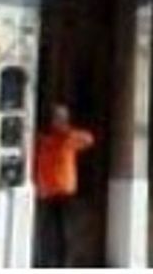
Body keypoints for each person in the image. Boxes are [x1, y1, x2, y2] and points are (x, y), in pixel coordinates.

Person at [34, 104, 95, 267]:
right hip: (47, 191)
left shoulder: (69, 138)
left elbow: (89, 139)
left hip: (65, 192)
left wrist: (67, 132)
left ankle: (64, 265)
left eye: (61, 118)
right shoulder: (46, 140)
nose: (57, 121)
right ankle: (47, 263)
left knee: (64, 231)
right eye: (56, 117)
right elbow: (40, 163)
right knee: (47, 231)